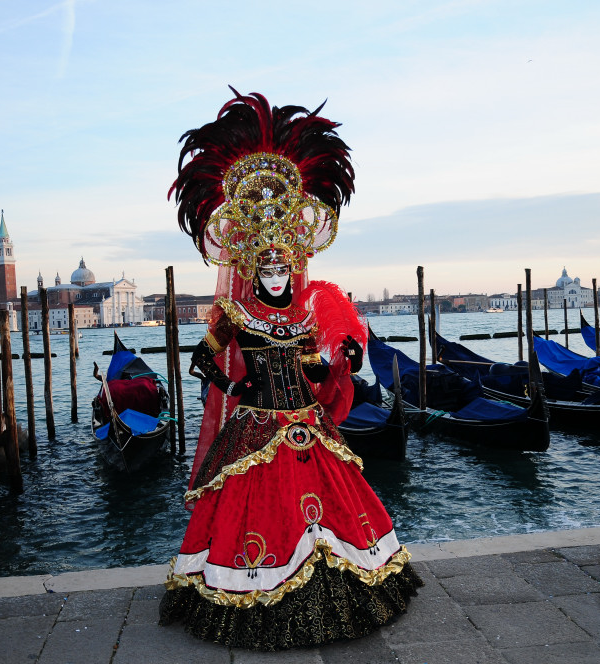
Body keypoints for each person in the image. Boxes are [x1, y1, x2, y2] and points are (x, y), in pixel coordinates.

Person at [159, 89, 422, 651]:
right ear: (253, 267)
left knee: (333, 506)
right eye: (267, 265)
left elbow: (318, 364)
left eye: (284, 265)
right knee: (252, 512)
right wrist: (234, 383)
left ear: (293, 265)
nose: (277, 273)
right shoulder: (234, 312)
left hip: (306, 422)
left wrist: (343, 361)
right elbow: (201, 358)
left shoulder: (307, 313)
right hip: (254, 425)